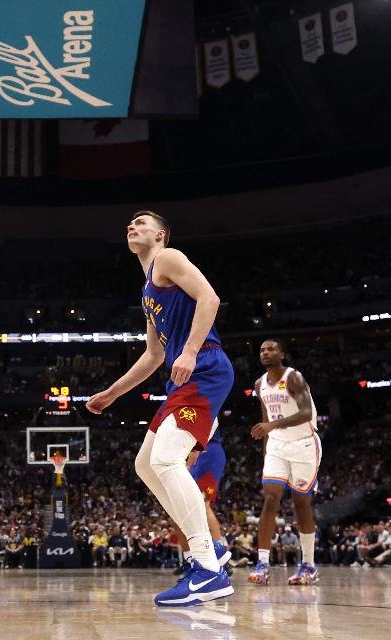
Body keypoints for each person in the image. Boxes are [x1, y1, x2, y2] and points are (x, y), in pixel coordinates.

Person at [87, 211, 235, 606]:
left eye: (141, 222)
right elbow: (153, 355)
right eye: (129, 225)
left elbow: (210, 298)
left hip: (205, 365)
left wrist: (187, 351)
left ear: (160, 234)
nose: (131, 227)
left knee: (168, 460)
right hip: (183, 378)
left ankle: (206, 564)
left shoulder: (168, 258)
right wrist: (113, 393)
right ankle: (213, 552)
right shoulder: (147, 290)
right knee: (145, 463)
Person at [246, 339, 321, 586]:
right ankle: (263, 563)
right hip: (277, 445)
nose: (265, 353)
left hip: (304, 444)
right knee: (270, 498)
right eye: (262, 349)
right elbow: (266, 420)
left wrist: (272, 426)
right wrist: (267, 451)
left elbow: (306, 412)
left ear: (282, 354)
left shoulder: (293, 378)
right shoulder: (259, 385)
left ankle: (308, 565)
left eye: (271, 349)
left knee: (301, 504)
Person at [172, 424, 231, 575]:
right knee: (177, 508)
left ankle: (221, 559)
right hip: (185, 452)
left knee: (203, 505)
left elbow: (211, 420)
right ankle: (190, 559)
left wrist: (195, 448)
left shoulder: (206, 400)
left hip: (207, 450)